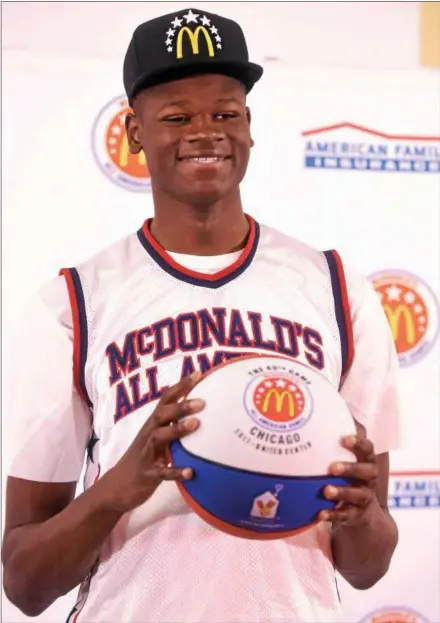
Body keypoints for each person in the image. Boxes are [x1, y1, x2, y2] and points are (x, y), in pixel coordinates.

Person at [2, 7, 401, 623]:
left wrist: (362, 515)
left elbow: (367, 566)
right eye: (177, 116)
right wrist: (117, 488)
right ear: (134, 132)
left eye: (225, 113)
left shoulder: (337, 290)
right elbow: (25, 585)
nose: (206, 132)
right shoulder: (76, 300)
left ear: (249, 126)